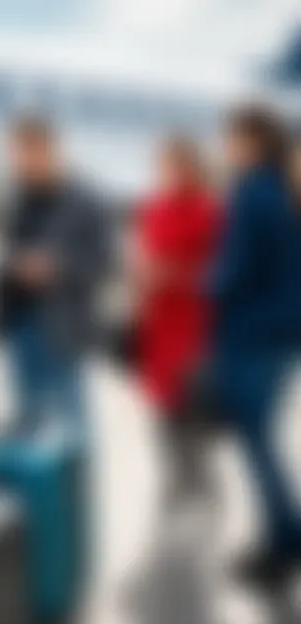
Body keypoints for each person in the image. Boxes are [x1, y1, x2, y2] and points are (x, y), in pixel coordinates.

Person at [210, 105, 301, 585]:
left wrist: (204, 282)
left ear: (253, 141)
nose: (226, 145)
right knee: (266, 437)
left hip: (252, 333)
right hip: (287, 332)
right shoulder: (288, 188)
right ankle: (284, 533)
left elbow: (234, 271)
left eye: (232, 137)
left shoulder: (252, 193)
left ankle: (283, 542)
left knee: (257, 440)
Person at [1, 117, 109, 434]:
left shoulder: (85, 201)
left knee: (71, 425)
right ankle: (39, 484)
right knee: (29, 423)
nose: (22, 162)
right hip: (21, 325)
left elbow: (102, 262)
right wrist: (10, 266)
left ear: (50, 151)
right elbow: (10, 252)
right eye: (17, 154)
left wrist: (56, 268)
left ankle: (78, 484)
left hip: (61, 327)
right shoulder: (20, 201)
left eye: (29, 153)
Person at [134, 137, 221, 507]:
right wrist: (142, 276)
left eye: (172, 167)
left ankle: (202, 489)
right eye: (161, 168)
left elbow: (222, 272)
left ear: (190, 169)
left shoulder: (210, 212)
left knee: (193, 416)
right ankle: (174, 485)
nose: (165, 175)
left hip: (194, 328)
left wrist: (178, 275)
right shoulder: (154, 210)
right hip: (158, 327)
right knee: (162, 415)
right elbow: (143, 256)